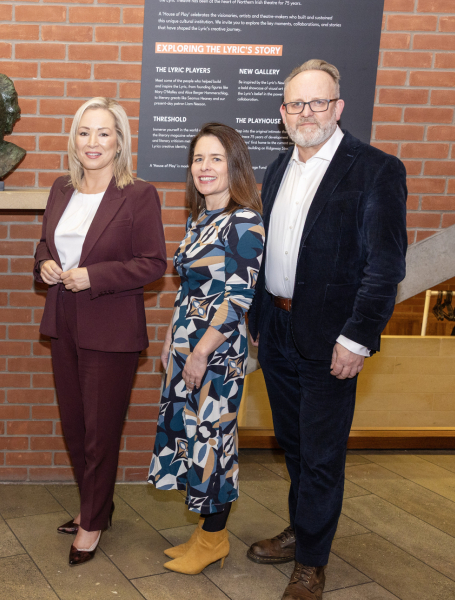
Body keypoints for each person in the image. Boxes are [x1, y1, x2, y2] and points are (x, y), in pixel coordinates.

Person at [246, 60, 407, 600]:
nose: (306, 112)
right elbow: (268, 252)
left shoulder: (376, 170)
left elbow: (385, 266)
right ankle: (301, 529)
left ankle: (312, 562)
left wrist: (357, 338)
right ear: (282, 114)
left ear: (338, 107)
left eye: (318, 102)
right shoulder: (275, 169)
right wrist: (256, 323)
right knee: (293, 447)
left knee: (321, 455)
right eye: (295, 104)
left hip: (333, 340)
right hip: (278, 329)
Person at [34, 97, 167, 567]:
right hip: (63, 320)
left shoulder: (138, 195)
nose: (93, 142)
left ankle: (92, 522)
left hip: (110, 327)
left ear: (119, 142)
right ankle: (97, 505)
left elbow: (153, 264)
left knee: (100, 431)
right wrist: (46, 265)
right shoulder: (60, 189)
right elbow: (44, 246)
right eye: (85, 132)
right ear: (74, 139)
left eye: (103, 133)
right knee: (74, 427)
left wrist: (95, 275)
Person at [148, 123, 265, 574]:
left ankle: (214, 540)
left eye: (216, 158)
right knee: (192, 438)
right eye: (198, 159)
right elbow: (188, 292)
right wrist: (170, 340)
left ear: (234, 166)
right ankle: (202, 534)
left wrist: (199, 352)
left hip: (216, 354)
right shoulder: (202, 219)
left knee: (213, 442)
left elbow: (238, 298)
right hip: (187, 347)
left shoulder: (245, 221)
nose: (205, 167)